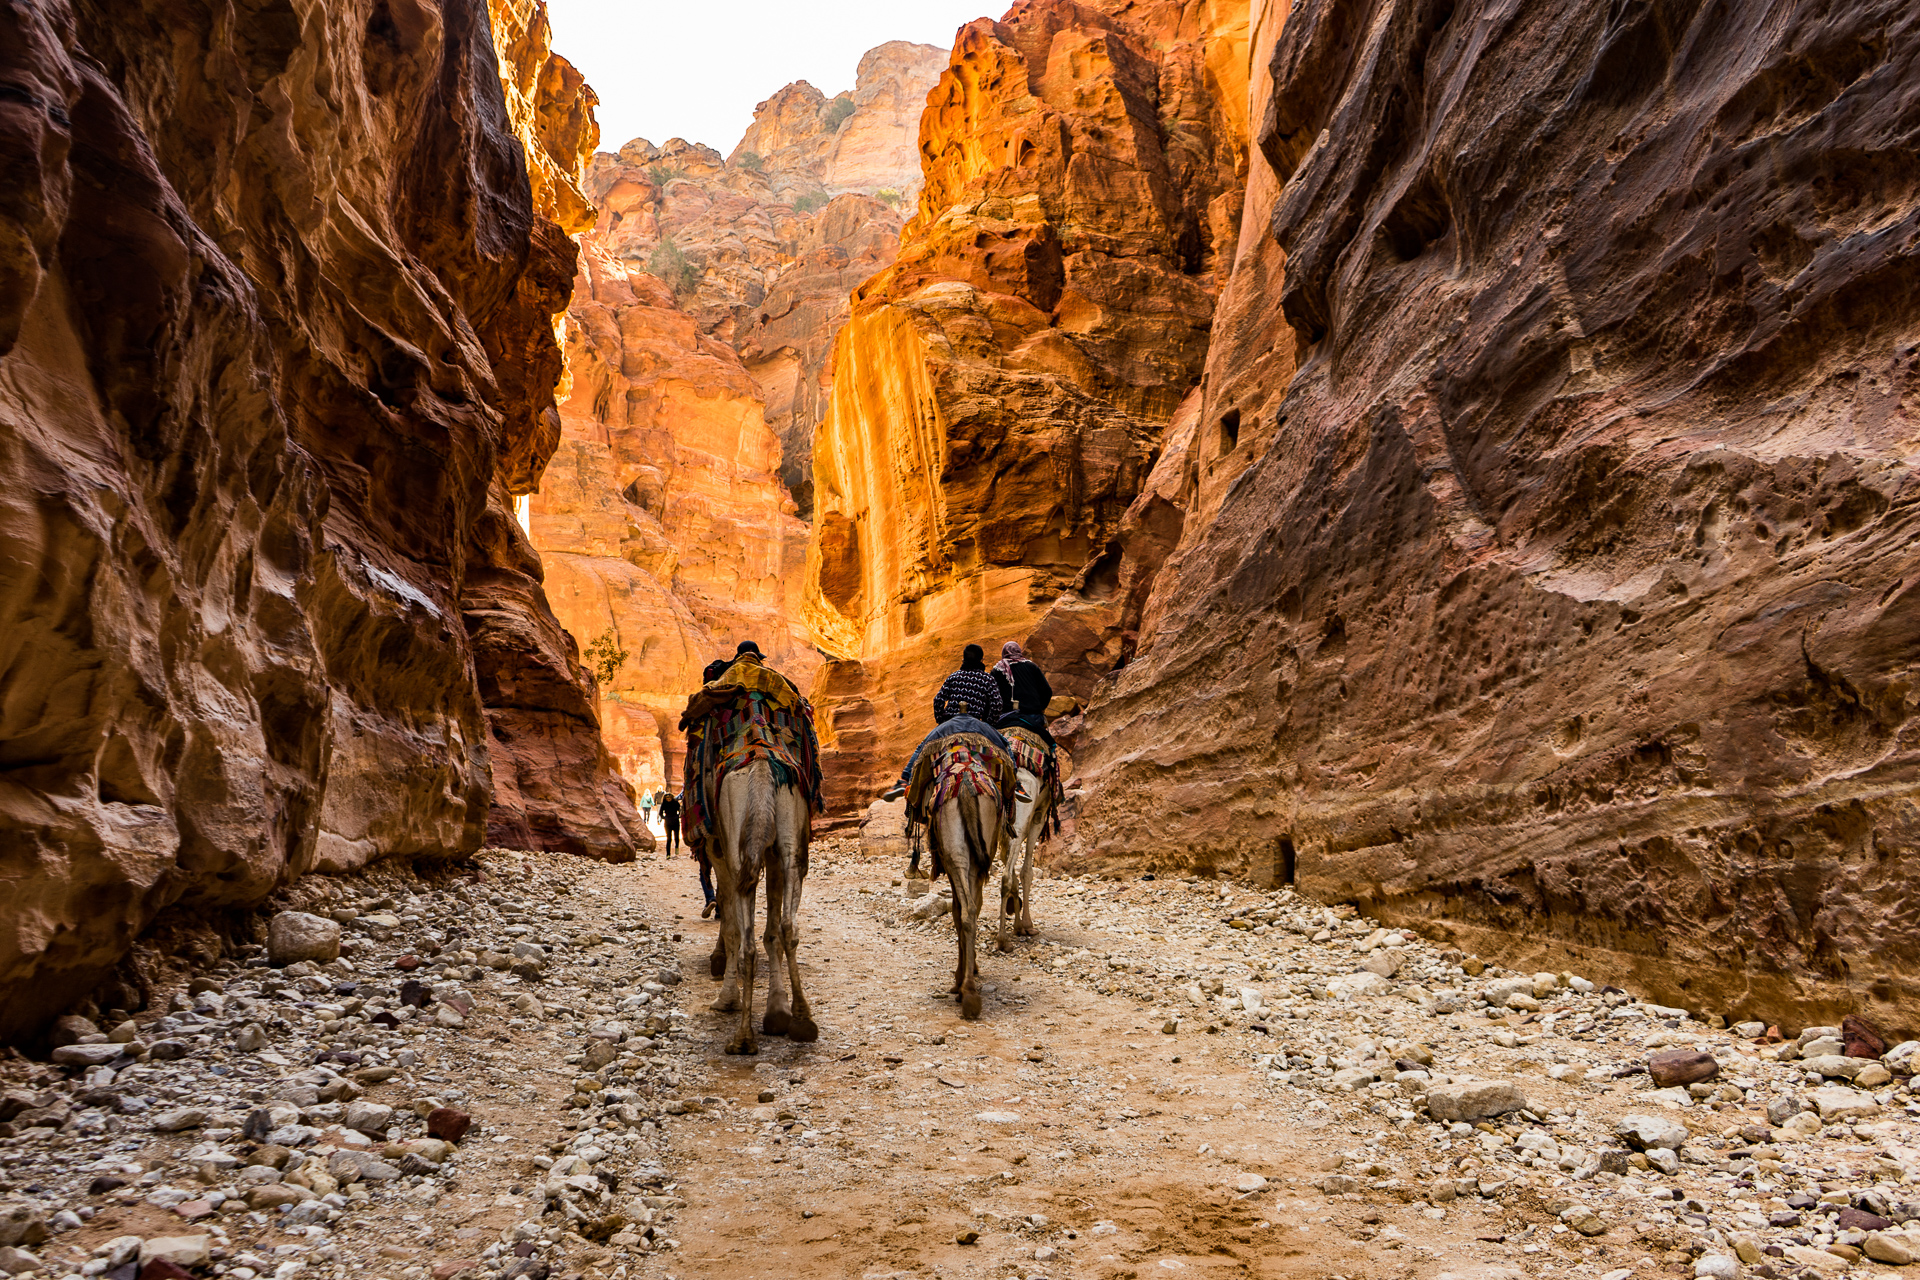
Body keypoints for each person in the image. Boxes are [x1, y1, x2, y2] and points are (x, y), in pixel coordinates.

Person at [879, 643, 1014, 802]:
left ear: (963, 659)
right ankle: (1016, 784)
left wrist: (943, 721)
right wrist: (988, 723)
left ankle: (904, 781)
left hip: (951, 723)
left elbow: (938, 700)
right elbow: (997, 704)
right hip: (976, 724)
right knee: (1005, 746)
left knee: (923, 747)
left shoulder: (954, 676)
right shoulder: (987, 679)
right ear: (981, 659)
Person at [990, 639, 1054, 743]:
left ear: (1004, 653)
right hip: (1033, 717)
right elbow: (1047, 691)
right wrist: (1040, 708)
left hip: (1005, 717)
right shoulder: (1032, 667)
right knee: (1048, 744)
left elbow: (991, 696)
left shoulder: (998, 669)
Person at [659, 790, 682, 856]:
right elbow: (660, 812)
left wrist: (678, 816)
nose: (668, 800)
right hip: (668, 822)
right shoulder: (664, 804)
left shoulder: (675, 803)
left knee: (676, 837)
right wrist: (664, 817)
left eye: (669, 798)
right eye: (667, 798)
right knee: (669, 838)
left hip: (675, 821)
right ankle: (668, 854)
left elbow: (679, 810)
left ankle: (676, 847)